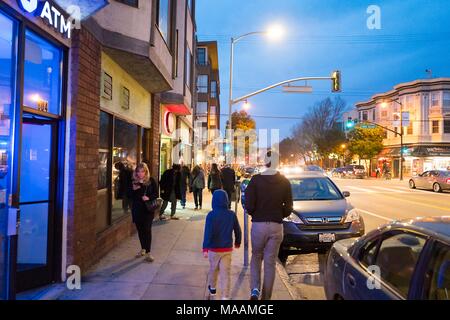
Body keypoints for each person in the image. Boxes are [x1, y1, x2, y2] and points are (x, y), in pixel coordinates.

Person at [244, 151, 293, 300]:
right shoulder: (285, 182)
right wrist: (279, 214)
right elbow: (289, 207)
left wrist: (255, 213)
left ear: (265, 162)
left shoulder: (256, 180)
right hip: (276, 225)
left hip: (259, 224)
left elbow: (249, 204)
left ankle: (254, 290)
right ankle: (266, 297)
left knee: (256, 257)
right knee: (270, 262)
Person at [202, 190, 242, 300]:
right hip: (227, 250)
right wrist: (238, 242)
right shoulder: (231, 215)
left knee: (213, 270)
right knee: (226, 273)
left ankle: (213, 290)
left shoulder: (211, 215)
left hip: (214, 250)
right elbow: (238, 230)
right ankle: (225, 296)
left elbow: (208, 232)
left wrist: (205, 248)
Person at [130, 163, 158, 262]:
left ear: (146, 172)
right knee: (140, 230)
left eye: (142, 171)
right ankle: (143, 249)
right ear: (136, 172)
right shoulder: (134, 182)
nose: (140, 174)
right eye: (138, 171)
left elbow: (156, 193)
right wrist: (133, 190)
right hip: (137, 209)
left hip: (147, 210)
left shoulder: (151, 181)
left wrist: (149, 197)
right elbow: (130, 196)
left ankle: (148, 253)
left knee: (147, 230)